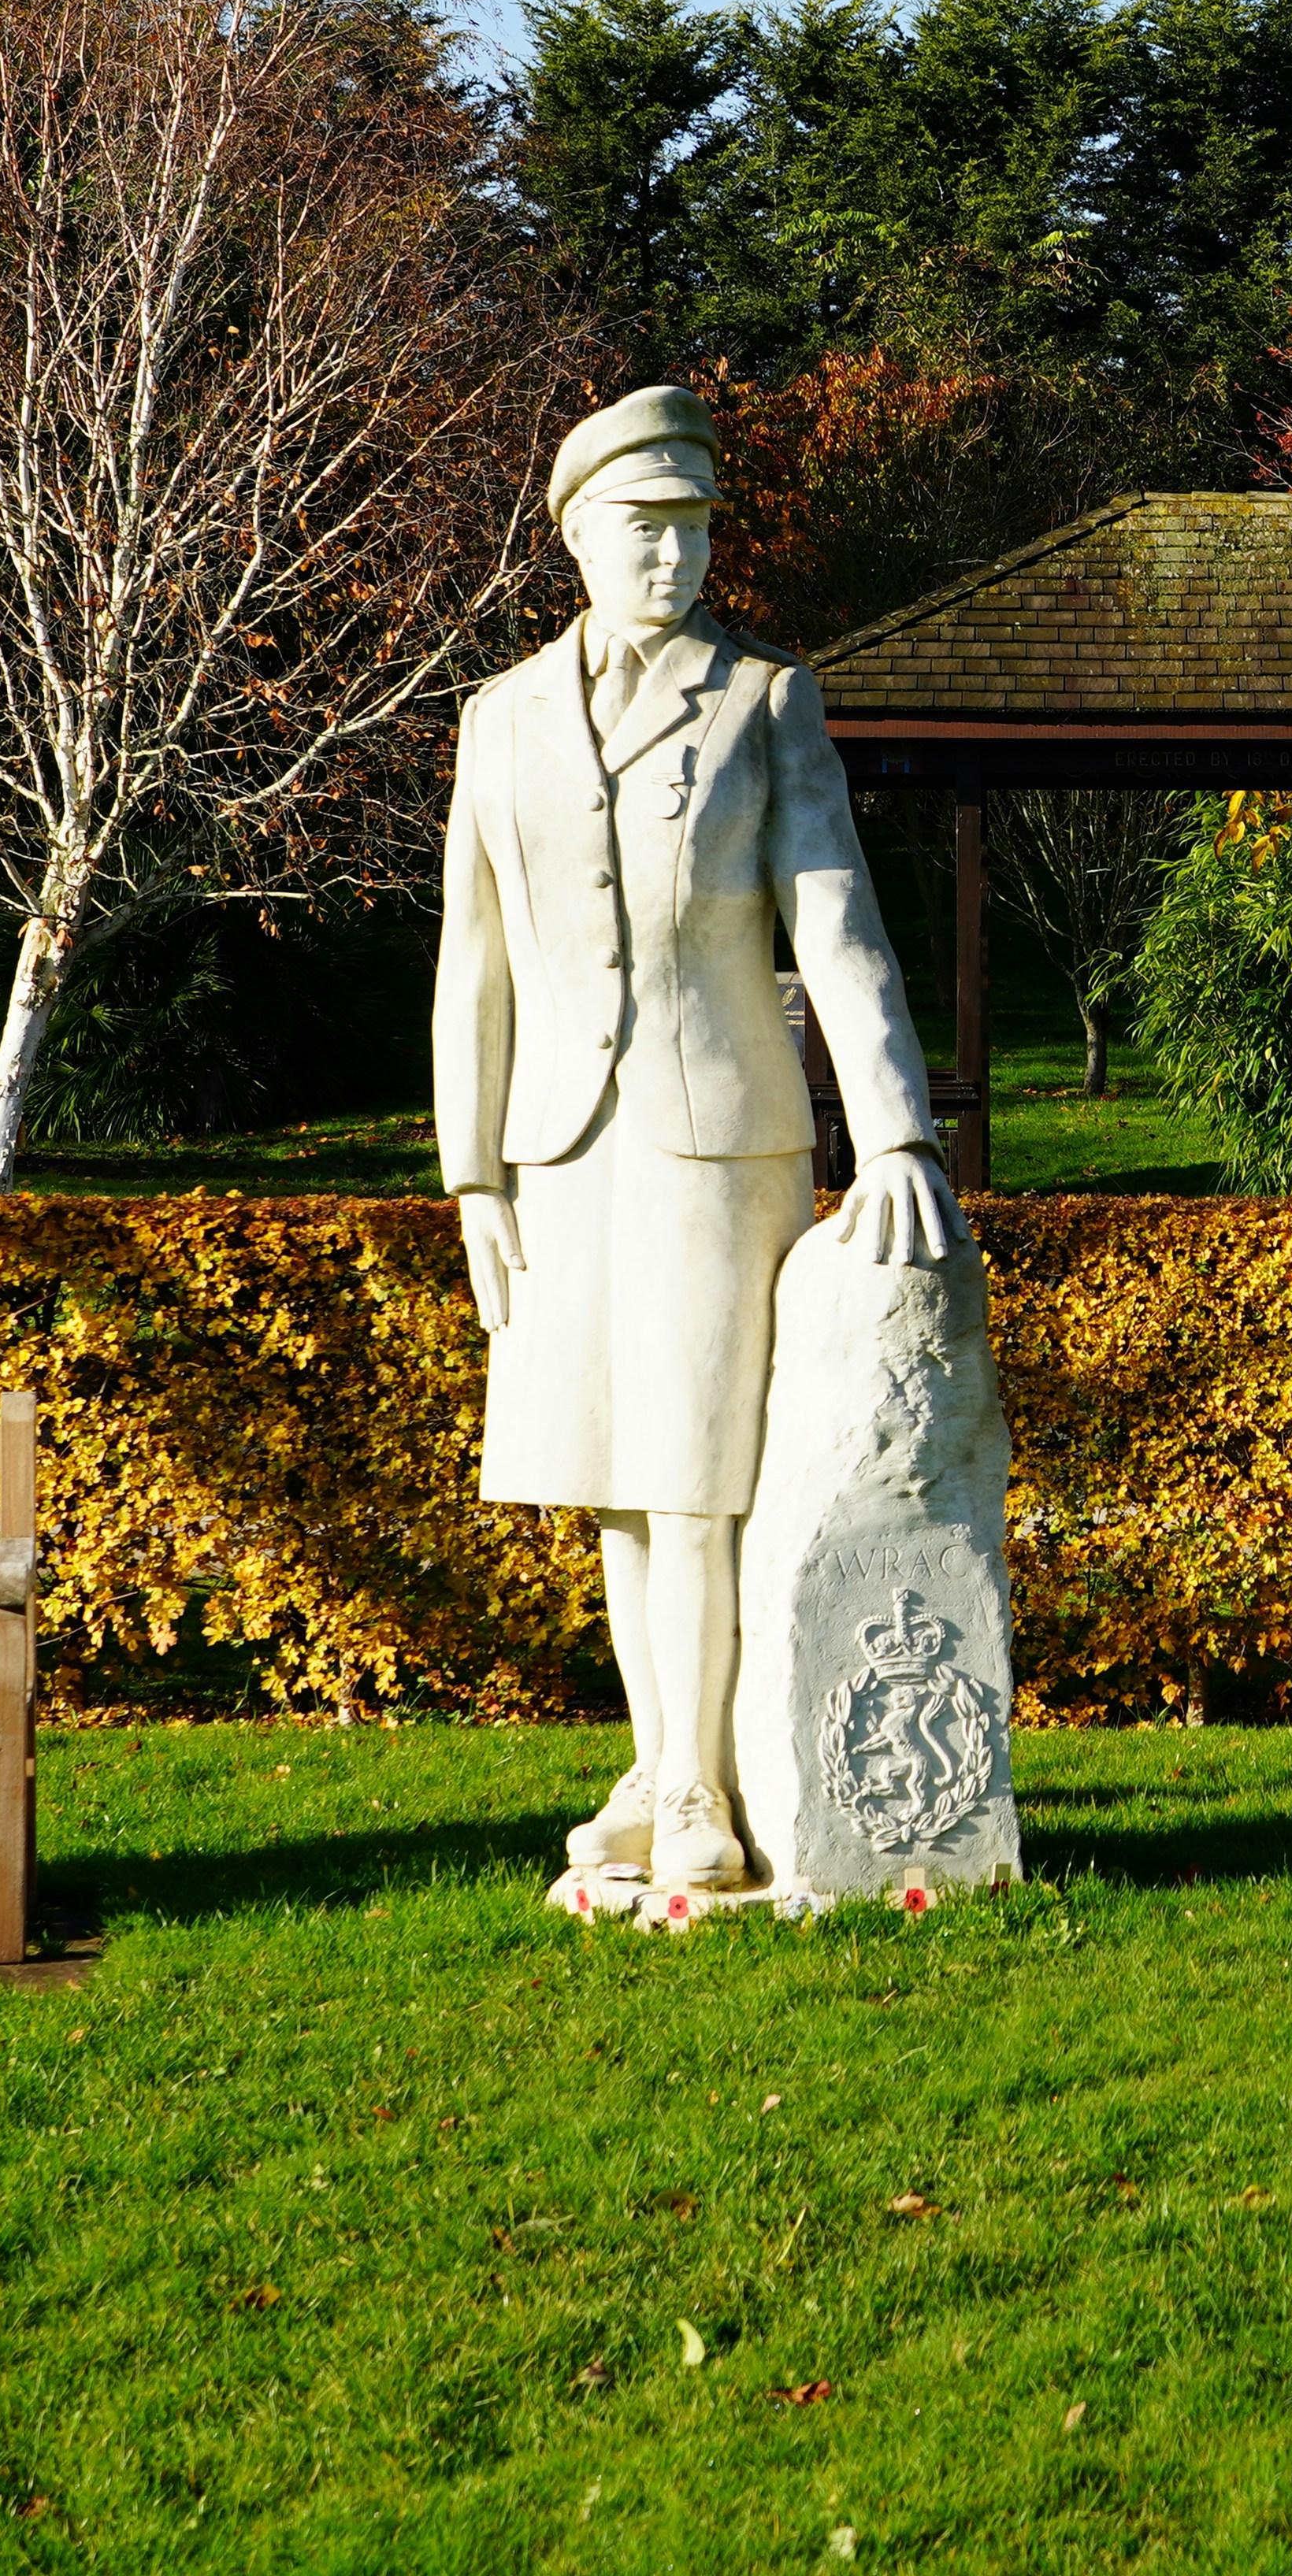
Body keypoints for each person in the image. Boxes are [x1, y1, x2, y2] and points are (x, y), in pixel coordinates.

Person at [434, 385, 957, 1898]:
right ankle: (664, 1759)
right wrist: (471, 1172)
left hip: (715, 1139)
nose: (674, 555)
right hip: (563, 1152)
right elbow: (477, 961)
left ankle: (700, 1795)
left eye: (695, 527)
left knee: (698, 1477)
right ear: (579, 537)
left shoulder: (762, 703)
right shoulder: (502, 716)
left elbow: (839, 929)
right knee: (608, 1475)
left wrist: (900, 1137)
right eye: (644, 528)